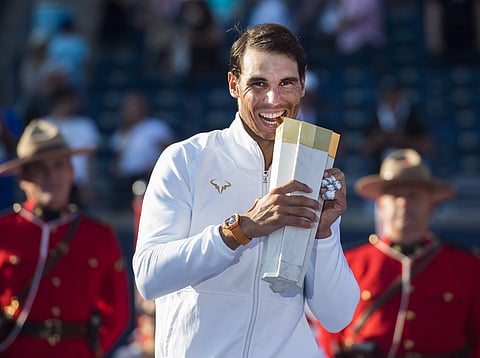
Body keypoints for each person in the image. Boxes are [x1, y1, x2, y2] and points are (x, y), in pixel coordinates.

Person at [133, 23, 359, 357]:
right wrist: (242, 229)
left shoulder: (313, 170)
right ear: (233, 84)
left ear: (303, 86)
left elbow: (338, 316)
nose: (274, 99)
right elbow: (150, 276)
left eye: (286, 83)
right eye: (258, 83)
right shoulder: (186, 159)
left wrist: (323, 235)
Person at [318, 148, 480, 357]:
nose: (404, 203)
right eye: (395, 195)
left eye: (413, 196)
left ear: (431, 205)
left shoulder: (466, 266)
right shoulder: (350, 262)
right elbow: (330, 335)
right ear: (380, 205)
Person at [0, 119, 131, 357]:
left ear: (72, 172)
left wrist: (93, 351)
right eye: (40, 168)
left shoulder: (99, 235)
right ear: (23, 179)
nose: (51, 176)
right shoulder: (4, 231)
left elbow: (118, 310)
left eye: (59, 166)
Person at [109, 90, 175, 208]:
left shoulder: (155, 127)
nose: (130, 111)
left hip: (147, 175)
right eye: (127, 107)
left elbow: (170, 150)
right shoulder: (122, 132)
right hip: (125, 178)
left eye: (133, 106)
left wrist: (156, 167)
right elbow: (117, 157)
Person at [361, 77, 435, 172]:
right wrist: (380, 140)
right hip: (380, 171)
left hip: (410, 171)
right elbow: (364, 149)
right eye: (388, 94)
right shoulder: (374, 117)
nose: (391, 98)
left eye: (394, 94)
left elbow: (428, 146)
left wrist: (403, 140)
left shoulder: (413, 116)